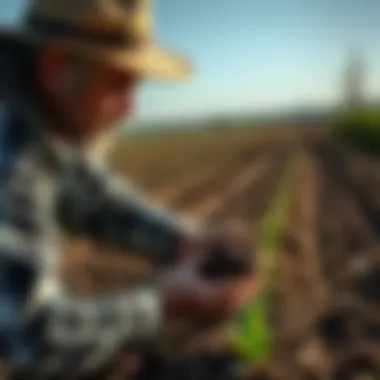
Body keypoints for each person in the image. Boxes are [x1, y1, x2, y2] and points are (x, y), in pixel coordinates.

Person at [0, 0, 257, 377]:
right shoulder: (10, 161)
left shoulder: (41, 127)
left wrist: (185, 242)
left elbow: (93, 197)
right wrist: (163, 305)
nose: (129, 111)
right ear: (56, 69)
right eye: (119, 85)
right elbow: (29, 336)